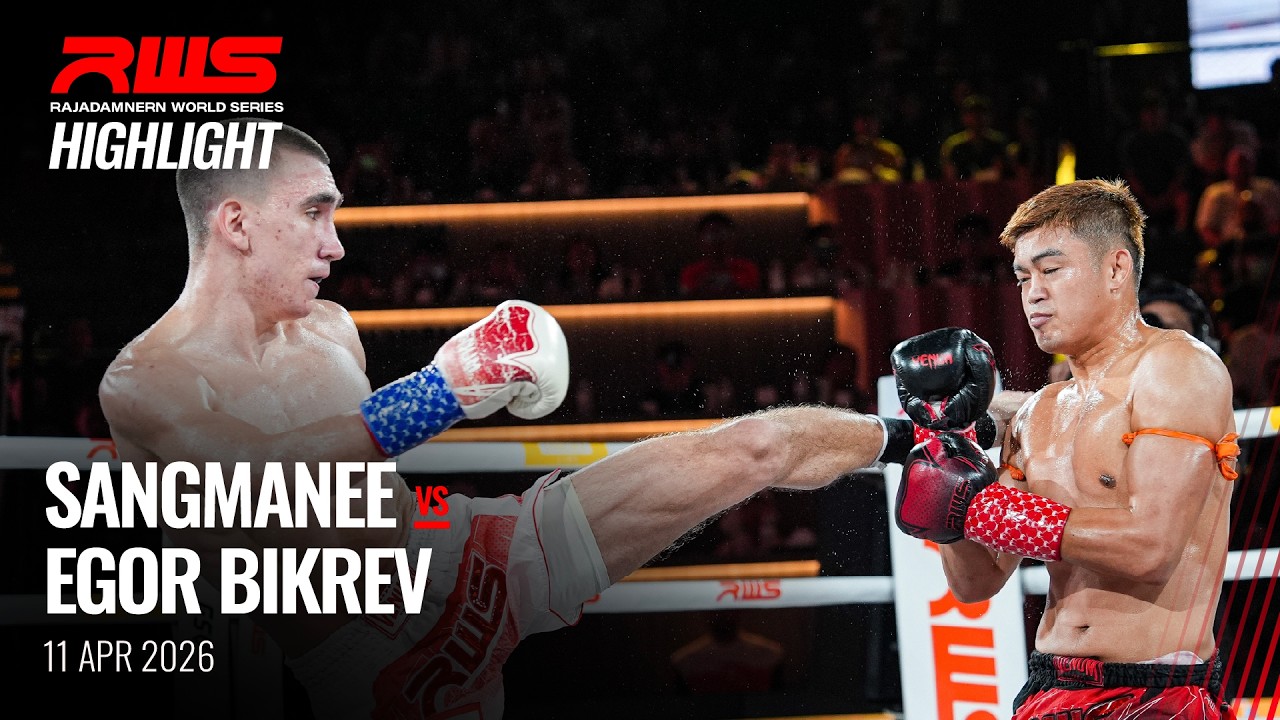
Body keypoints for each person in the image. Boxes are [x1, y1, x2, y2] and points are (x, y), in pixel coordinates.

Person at [99, 118, 1026, 720]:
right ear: (235, 223)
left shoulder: (328, 328)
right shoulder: (144, 383)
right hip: (371, 667)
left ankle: (927, 433)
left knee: (754, 444)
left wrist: (450, 390)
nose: (335, 245)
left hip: (475, 558)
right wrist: (442, 391)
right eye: (313, 215)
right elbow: (253, 478)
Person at [893, 179, 1240, 719]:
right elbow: (976, 583)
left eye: (1051, 270)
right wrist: (947, 501)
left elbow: (1151, 548)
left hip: (1156, 693)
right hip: (1049, 686)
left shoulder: (1176, 368)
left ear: (1116, 269)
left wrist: (984, 510)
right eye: (1022, 277)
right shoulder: (1038, 413)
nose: (1033, 293)